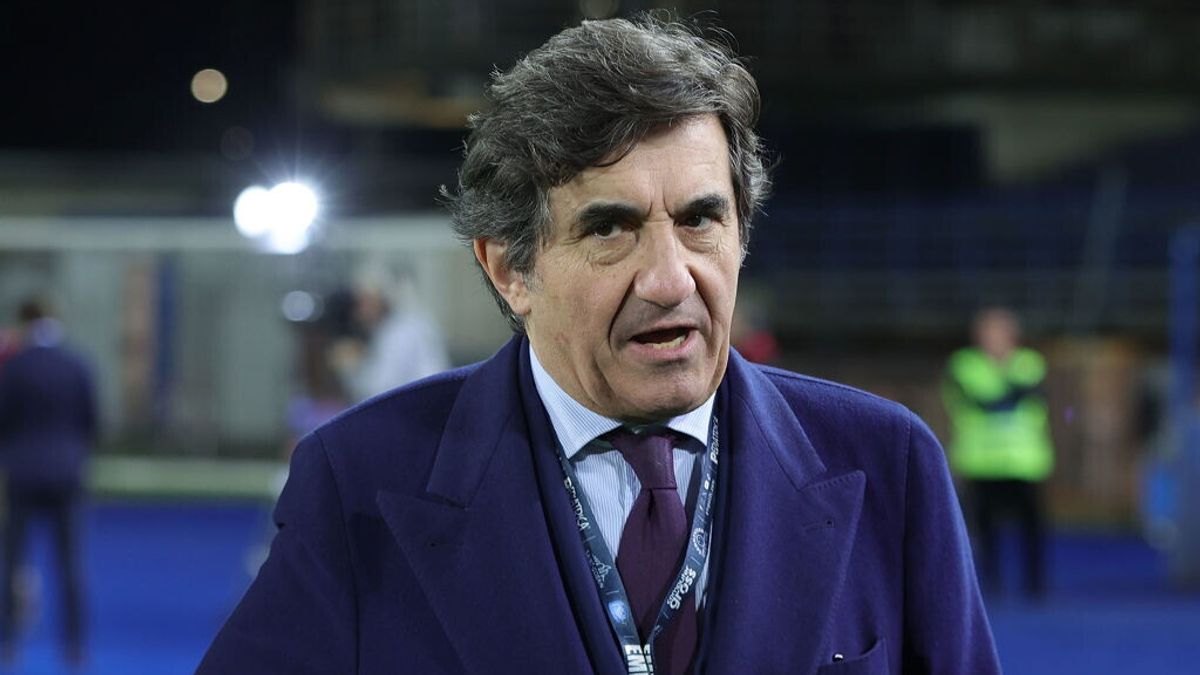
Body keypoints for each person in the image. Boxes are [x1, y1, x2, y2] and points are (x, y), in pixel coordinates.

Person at [200, 14, 999, 674]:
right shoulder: (360, 480)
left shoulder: (889, 464)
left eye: (700, 219)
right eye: (611, 228)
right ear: (510, 268)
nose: (670, 279)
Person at [0, 298, 95, 667]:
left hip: (22, 474)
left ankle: (8, 643)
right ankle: (75, 646)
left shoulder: (15, 367)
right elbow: (91, 420)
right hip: (67, 473)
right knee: (70, 564)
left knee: (13, 562)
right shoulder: (77, 364)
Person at [943, 307, 1054, 598]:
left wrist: (1005, 396)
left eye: (999, 331)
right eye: (988, 331)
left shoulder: (1030, 362)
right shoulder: (963, 365)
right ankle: (991, 582)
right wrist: (1011, 394)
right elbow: (983, 402)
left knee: (1032, 527)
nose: (994, 337)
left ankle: (1035, 583)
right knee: (985, 527)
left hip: (1025, 462)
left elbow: (1031, 397)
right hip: (981, 462)